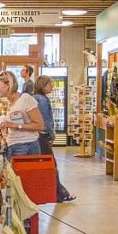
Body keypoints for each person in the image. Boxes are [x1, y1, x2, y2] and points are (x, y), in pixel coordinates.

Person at [34, 75, 75, 203]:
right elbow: (46, 120)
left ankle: (59, 192)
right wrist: (51, 134)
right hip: (43, 136)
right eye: (49, 84)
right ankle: (60, 193)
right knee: (52, 165)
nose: (52, 86)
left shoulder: (34, 98)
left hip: (36, 136)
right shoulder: (43, 100)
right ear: (43, 85)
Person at [0, 70, 43, 159]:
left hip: (26, 146)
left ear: (8, 85)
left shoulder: (25, 99)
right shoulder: (10, 102)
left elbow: (40, 125)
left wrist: (13, 125)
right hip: (14, 146)